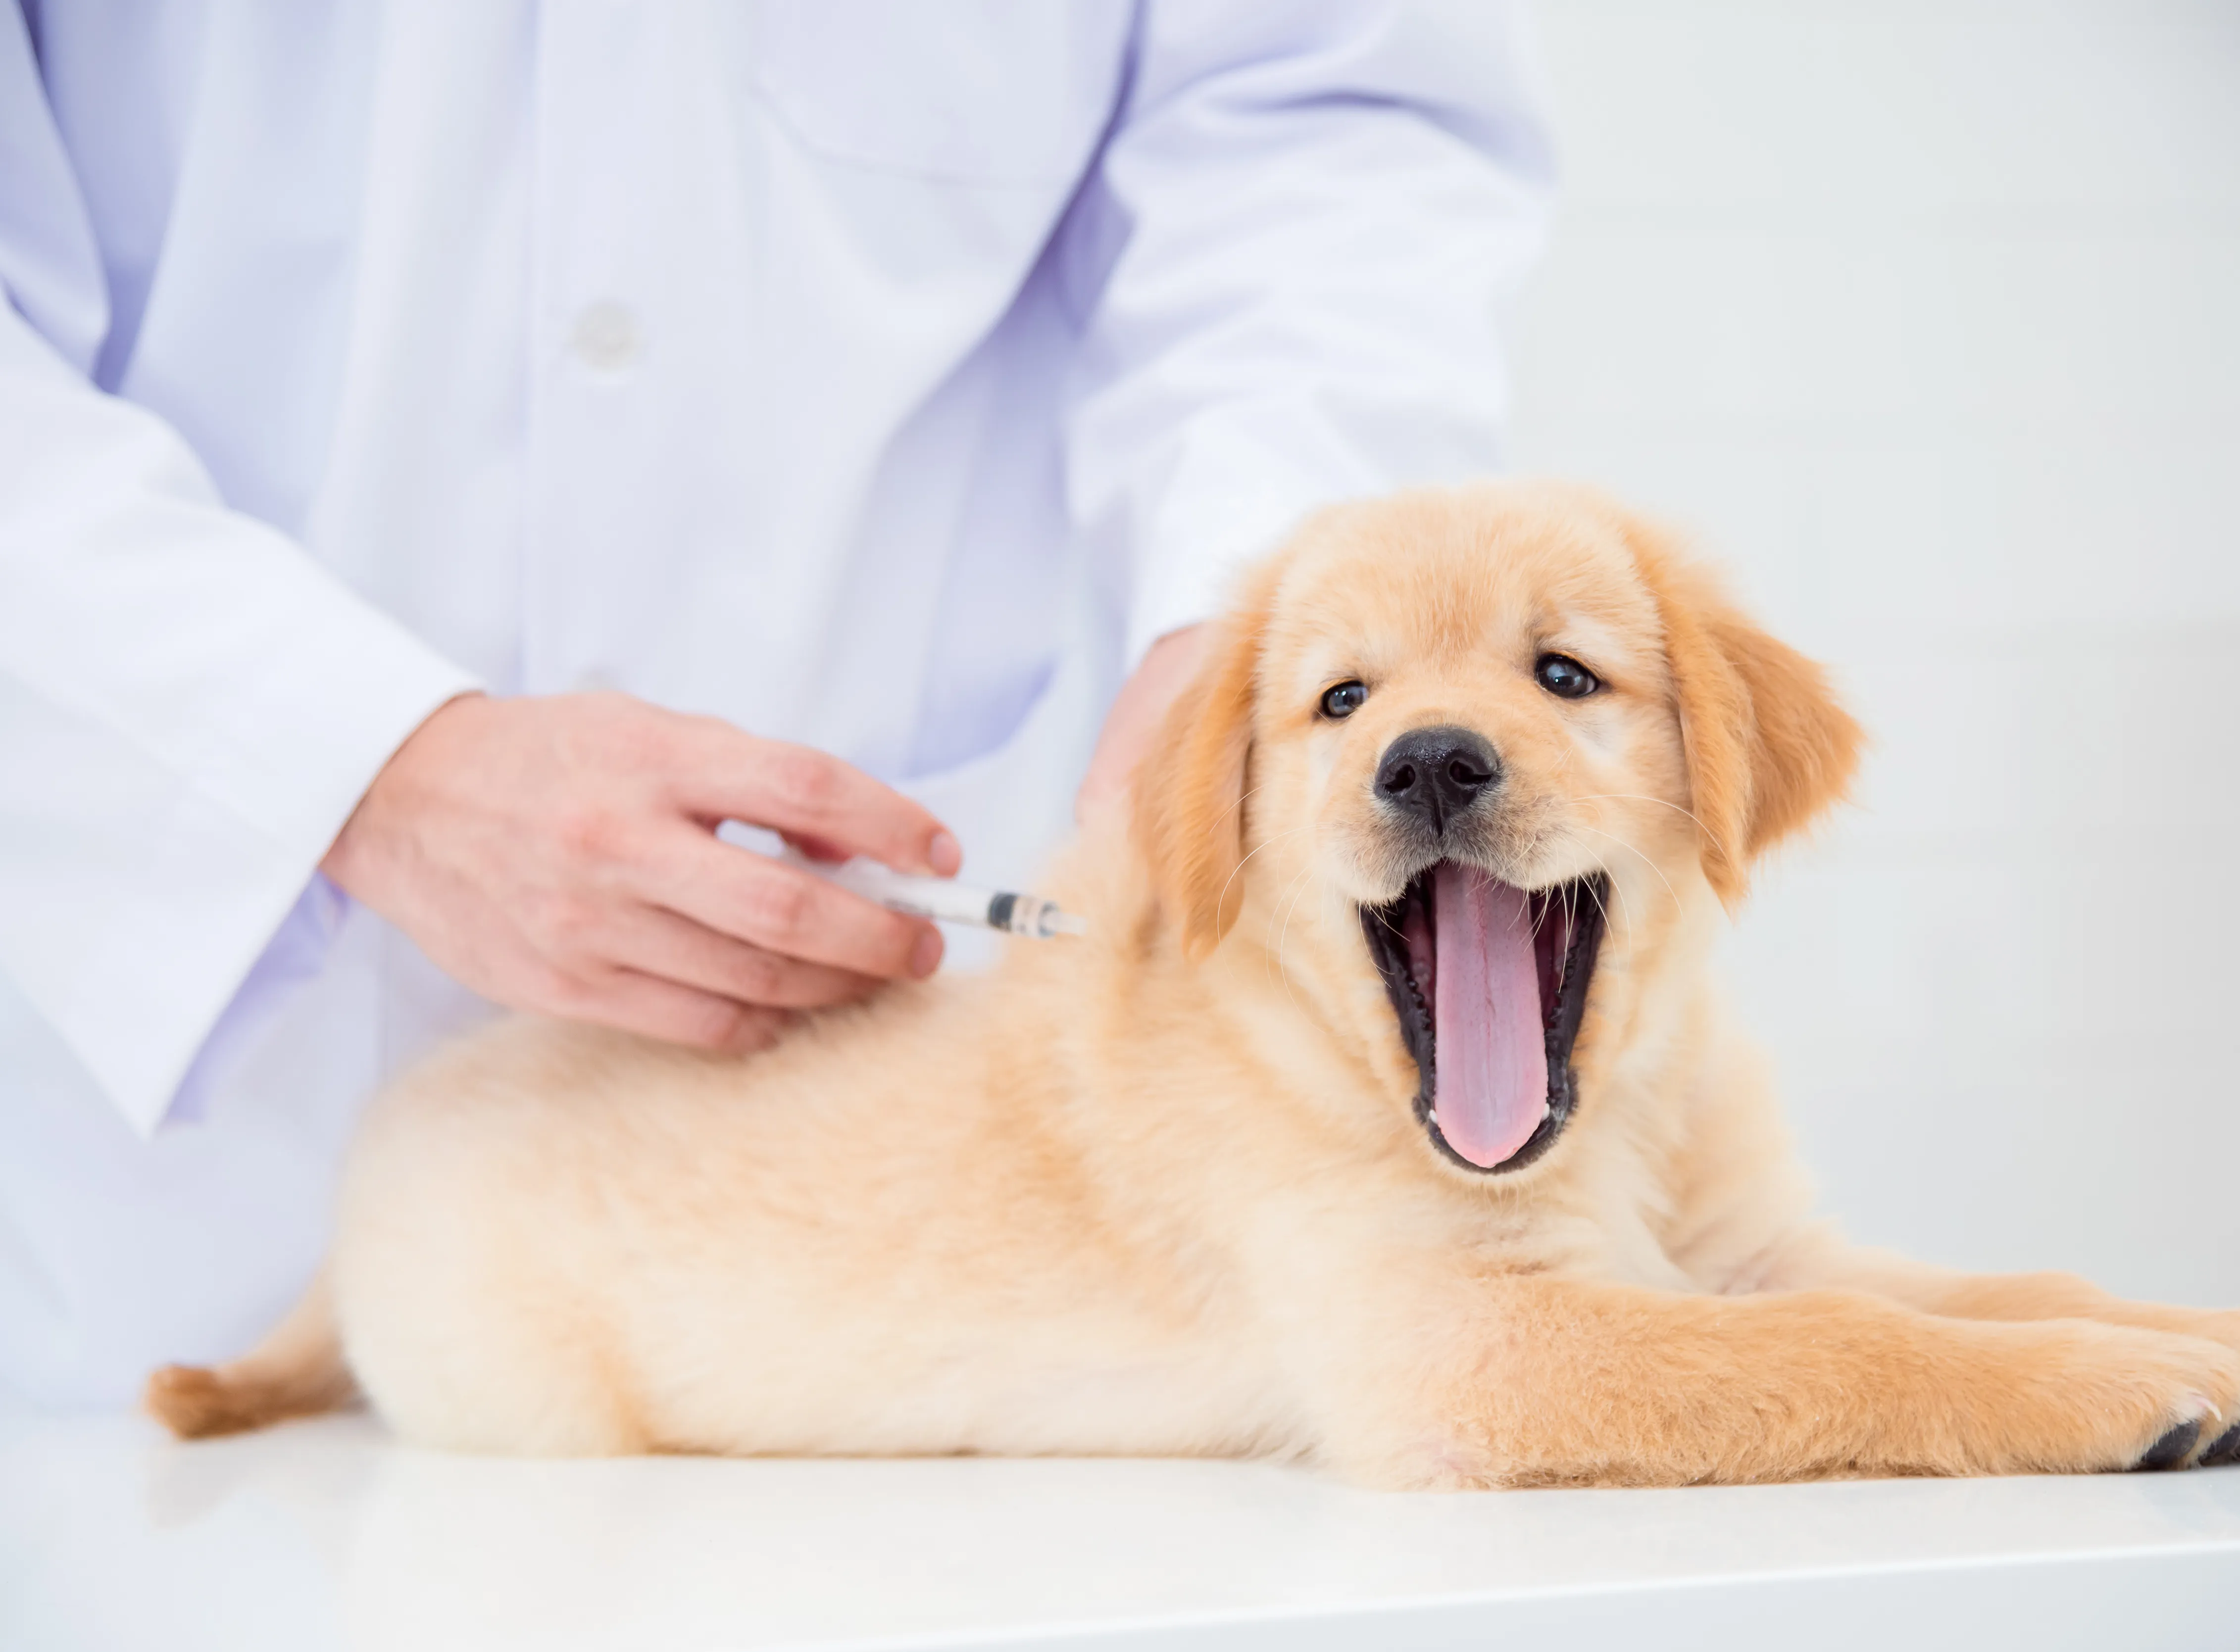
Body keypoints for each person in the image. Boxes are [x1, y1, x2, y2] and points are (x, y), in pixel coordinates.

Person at [0, 2, 1551, 1408]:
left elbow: (1327, 115)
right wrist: (336, 758)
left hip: (966, 1154)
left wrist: (1263, 605)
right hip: (176, 1123)